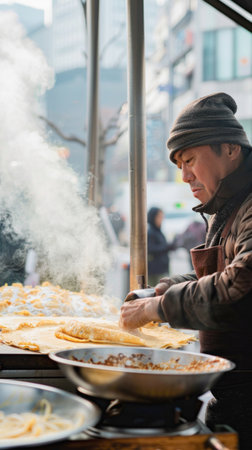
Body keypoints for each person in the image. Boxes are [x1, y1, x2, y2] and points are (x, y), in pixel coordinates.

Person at [120, 92, 252, 450]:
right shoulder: (227, 206)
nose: (184, 176)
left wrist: (155, 309)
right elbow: (213, 277)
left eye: (190, 159)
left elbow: (239, 285)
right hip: (231, 395)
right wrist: (161, 292)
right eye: (179, 164)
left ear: (230, 149)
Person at [147, 206, 173, 285]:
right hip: (155, 271)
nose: (161, 219)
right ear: (153, 217)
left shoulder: (158, 231)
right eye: (159, 216)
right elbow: (150, 248)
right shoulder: (150, 232)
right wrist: (167, 247)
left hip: (161, 269)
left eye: (162, 216)